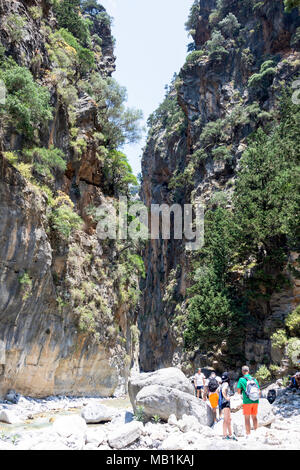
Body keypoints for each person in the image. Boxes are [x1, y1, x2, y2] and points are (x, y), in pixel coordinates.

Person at [237, 365, 261, 437]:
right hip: (255, 400)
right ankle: (257, 432)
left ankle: (248, 434)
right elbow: (259, 391)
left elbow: (238, 391)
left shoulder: (241, 379)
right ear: (248, 371)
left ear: (242, 371)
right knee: (254, 417)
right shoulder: (254, 379)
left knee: (247, 418)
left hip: (247, 401)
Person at [219, 372, 236, 440]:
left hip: (224, 403)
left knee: (229, 419)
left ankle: (230, 434)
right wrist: (226, 398)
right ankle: (224, 435)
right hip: (226, 403)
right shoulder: (226, 384)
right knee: (226, 419)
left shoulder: (222, 384)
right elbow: (223, 391)